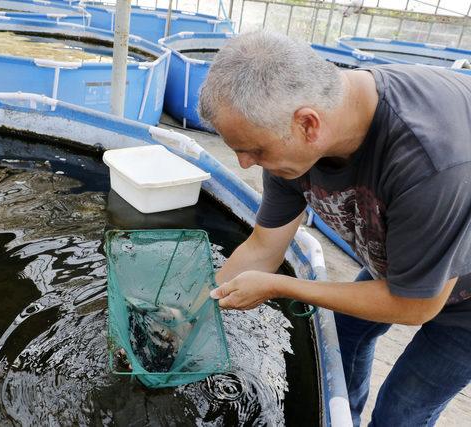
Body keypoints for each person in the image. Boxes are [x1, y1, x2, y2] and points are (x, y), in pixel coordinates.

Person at [198, 31, 471, 427]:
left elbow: (417, 305)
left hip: (463, 295)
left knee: (403, 407)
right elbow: (262, 248)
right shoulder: (293, 137)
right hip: (408, 255)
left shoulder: (431, 162)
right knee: (342, 338)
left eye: (254, 151)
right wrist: (192, 313)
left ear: (309, 124)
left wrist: (280, 286)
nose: (244, 164)